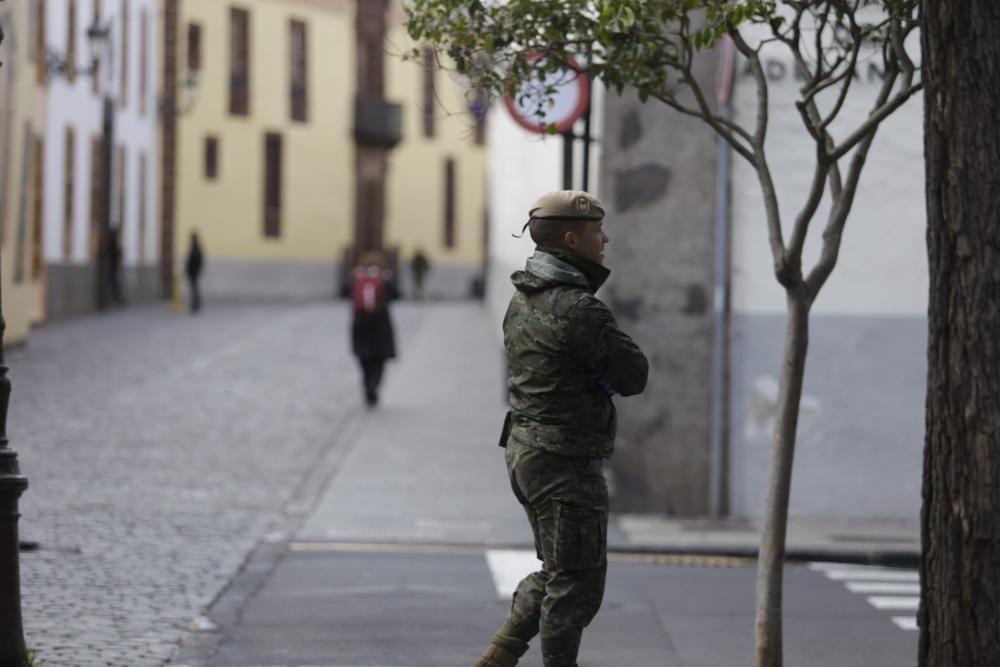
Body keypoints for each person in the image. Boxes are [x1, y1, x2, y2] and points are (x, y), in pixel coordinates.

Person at [473, 191, 649, 667]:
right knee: (576, 587)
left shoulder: (523, 298)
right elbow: (633, 375)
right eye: (597, 232)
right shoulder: (579, 309)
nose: (605, 238)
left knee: (557, 573)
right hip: (564, 462)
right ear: (572, 239)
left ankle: (496, 658)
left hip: (528, 452)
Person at [348, 250, 399, 406]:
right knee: (379, 359)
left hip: (360, 324)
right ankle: (374, 386)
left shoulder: (358, 278)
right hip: (380, 325)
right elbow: (396, 295)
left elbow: (345, 293)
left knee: (364, 359)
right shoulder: (383, 279)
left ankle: (367, 386)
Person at [185, 231, 204, 313]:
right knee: (194, 288)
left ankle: (195, 304)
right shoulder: (195, 247)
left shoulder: (195, 248)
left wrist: (193, 270)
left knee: (194, 288)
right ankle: (195, 303)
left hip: (193, 272)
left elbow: (196, 261)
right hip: (193, 272)